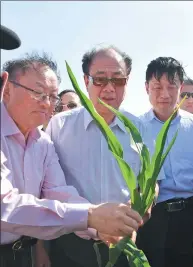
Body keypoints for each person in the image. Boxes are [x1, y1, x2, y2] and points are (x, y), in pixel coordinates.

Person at [0, 51, 142, 267]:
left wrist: (100, 226)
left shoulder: (42, 143)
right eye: (38, 93)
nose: (47, 104)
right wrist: (91, 215)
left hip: (22, 254)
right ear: (7, 89)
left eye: (52, 96)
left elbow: (59, 192)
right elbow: (4, 205)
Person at [46, 45, 148, 267]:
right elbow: (46, 187)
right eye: (100, 80)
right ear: (85, 81)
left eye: (118, 80)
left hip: (122, 245)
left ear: (127, 83)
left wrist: (142, 206)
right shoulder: (59, 126)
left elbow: (150, 182)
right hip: (71, 245)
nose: (109, 88)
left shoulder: (139, 129)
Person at [136, 57, 193, 267]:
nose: (164, 94)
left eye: (171, 86)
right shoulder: (137, 129)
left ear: (180, 87)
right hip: (153, 219)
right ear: (146, 87)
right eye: (157, 87)